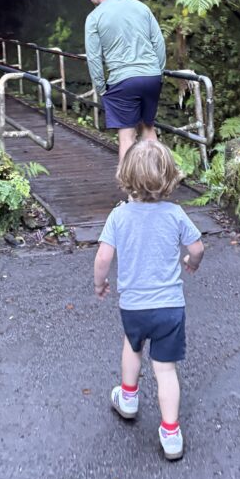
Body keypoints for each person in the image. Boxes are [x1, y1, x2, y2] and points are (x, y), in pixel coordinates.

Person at [93, 139, 204, 460]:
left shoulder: (119, 216)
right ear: (169, 177)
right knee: (165, 369)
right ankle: (171, 433)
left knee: (133, 345)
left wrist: (100, 283)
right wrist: (191, 263)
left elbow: (103, 257)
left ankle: (128, 399)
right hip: (170, 307)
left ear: (125, 176)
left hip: (134, 307)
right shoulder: (175, 214)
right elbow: (196, 248)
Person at [79, 0, 166, 166]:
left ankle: (131, 192)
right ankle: (163, 178)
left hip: (123, 81)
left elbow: (93, 58)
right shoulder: (141, 7)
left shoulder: (94, 18)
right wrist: (157, 73)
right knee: (148, 129)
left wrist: (101, 88)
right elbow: (159, 43)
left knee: (127, 137)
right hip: (151, 76)